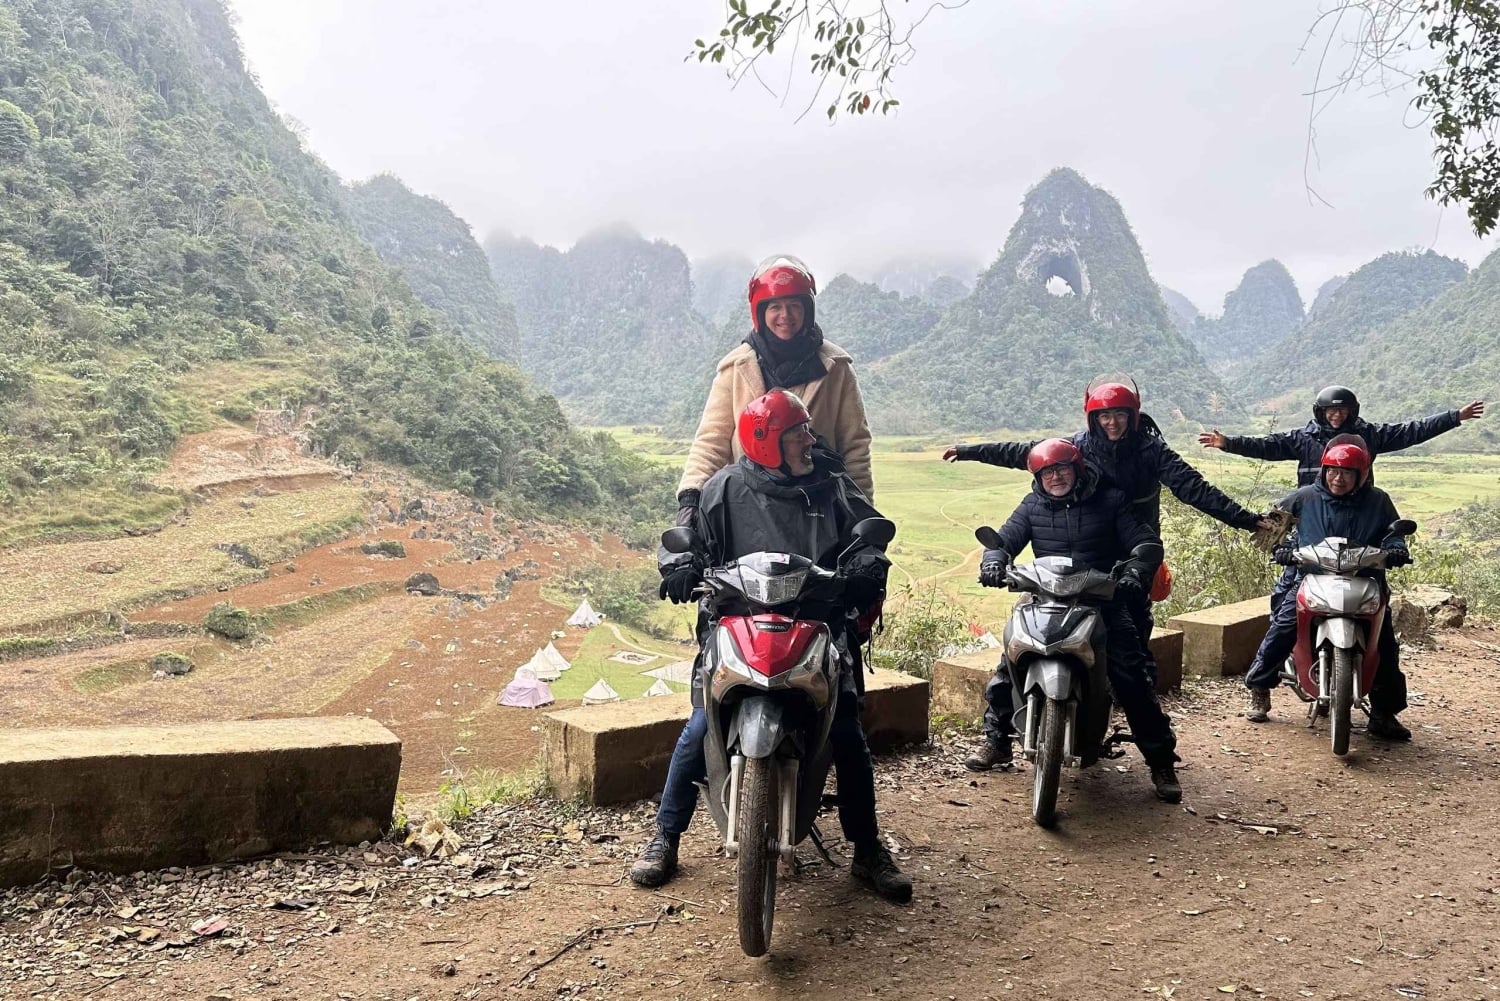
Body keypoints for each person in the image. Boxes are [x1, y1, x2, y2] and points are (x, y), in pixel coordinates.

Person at [630, 390, 912, 903]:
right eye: (797, 433)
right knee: (699, 726)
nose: (809, 439)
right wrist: (677, 564)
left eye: (806, 430)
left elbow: (869, 531)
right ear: (766, 442)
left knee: (846, 731)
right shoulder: (723, 488)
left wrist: (869, 560)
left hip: (818, 622)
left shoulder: (830, 484)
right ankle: (664, 838)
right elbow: (684, 536)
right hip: (738, 622)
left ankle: (868, 850)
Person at [944, 376, 1271, 688]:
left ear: (1132, 416)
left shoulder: (1151, 450)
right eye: (1104, 417)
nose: (1112, 423)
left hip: (1134, 551)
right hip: (1088, 549)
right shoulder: (1078, 447)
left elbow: (1194, 489)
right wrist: (970, 450)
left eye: (1119, 415)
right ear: (1093, 419)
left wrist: (1246, 520)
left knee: (1132, 635)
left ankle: (1139, 709)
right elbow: (1023, 453)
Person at [965, 438, 1183, 804]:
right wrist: (993, 561)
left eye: (1062, 469)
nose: (1055, 477)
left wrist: (1135, 571)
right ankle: (996, 741)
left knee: (1131, 676)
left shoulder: (1110, 500)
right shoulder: (1033, 504)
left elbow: (1143, 542)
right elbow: (1005, 540)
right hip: (1043, 596)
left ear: (1077, 468)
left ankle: (1161, 761)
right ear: (1037, 476)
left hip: (1102, 599)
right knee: (1010, 663)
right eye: (1047, 472)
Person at [1199, 385, 1482, 618]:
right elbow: (1266, 445)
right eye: (1331, 410)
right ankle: (1276, 655)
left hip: (1357, 523)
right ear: (1320, 412)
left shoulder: (1368, 435)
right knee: (1288, 589)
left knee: (1374, 587)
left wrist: (1454, 417)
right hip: (1313, 521)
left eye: (1342, 410)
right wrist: (1229, 443)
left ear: (1352, 411)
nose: (1336, 415)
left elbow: (1410, 431)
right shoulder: (1303, 438)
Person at [674, 255, 874, 542]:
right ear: (760, 312)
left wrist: (861, 514)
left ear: (807, 310)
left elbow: (855, 447)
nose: (786, 316)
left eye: (795, 306)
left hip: (818, 513)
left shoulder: (836, 368)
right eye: (775, 307)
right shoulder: (737, 368)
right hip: (748, 514)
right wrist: (691, 499)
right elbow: (712, 441)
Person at [1242, 437, 1414, 737]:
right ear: (1323, 470)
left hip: (1364, 578)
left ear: (1361, 475)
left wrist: (1396, 548)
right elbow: (1271, 528)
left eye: (1348, 472)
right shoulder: (1305, 497)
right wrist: (1279, 549)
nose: (1339, 477)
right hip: (1311, 576)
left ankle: (1384, 713)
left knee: (1384, 642)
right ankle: (1259, 686)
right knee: (1284, 626)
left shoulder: (1378, 501)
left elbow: (1392, 534)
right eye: (1333, 470)